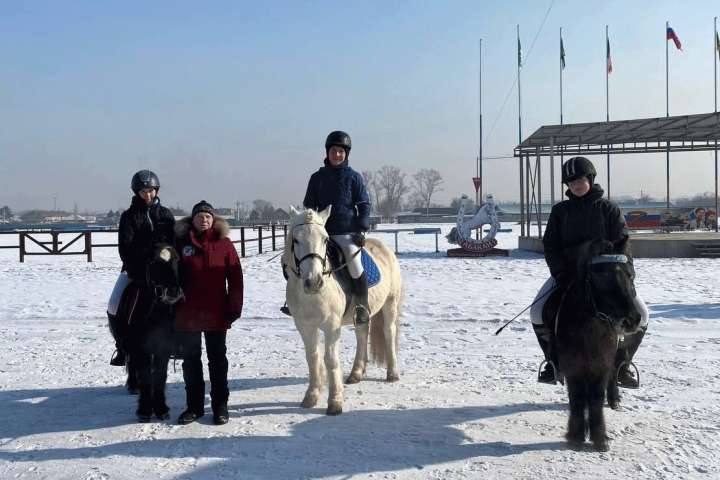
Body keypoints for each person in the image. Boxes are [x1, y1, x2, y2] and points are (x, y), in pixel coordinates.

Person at [529, 156, 649, 386]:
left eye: (580, 180)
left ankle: (622, 365)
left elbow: (624, 243)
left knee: (642, 315)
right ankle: (552, 362)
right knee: (537, 311)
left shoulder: (609, 209)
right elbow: (551, 246)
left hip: (608, 276)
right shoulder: (560, 211)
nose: (576, 185)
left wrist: (627, 275)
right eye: (571, 182)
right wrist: (560, 273)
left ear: (590, 179)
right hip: (569, 274)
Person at [291, 130, 372, 324]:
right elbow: (310, 207)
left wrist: (361, 228)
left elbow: (364, 205)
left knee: (354, 265)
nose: (337, 155)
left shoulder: (354, 178)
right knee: (299, 260)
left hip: (345, 233)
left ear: (346, 154)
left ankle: (362, 306)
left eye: (341, 152)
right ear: (327, 152)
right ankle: (294, 301)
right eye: (334, 151)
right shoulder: (316, 178)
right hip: (321, 233)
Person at [174, 201, 243, 425]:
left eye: (207, 216)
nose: (203, 220)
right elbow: (170, 276)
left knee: (217, 360)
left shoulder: (224, 244)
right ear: (192, 220)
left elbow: (235, 279)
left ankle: (220, 406)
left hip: (216, 311)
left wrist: (234, 307)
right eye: (199, 216)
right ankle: (194, 407)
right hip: (188, 311)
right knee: (191, 361)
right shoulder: (181, 243)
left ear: (214, 220)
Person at [116, 170, 176, 419]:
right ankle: (122, 345)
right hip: (136, 272)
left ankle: (181, 337)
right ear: (137, 193)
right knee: (114, 302)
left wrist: (165, 257)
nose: (148, 194)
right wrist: (140, 266)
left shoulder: (165, 214)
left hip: (162, 271)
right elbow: (125, 247)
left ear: (156, 191)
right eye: (143, 191)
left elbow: (173, 242)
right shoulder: (130, 216)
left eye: (151, 190)